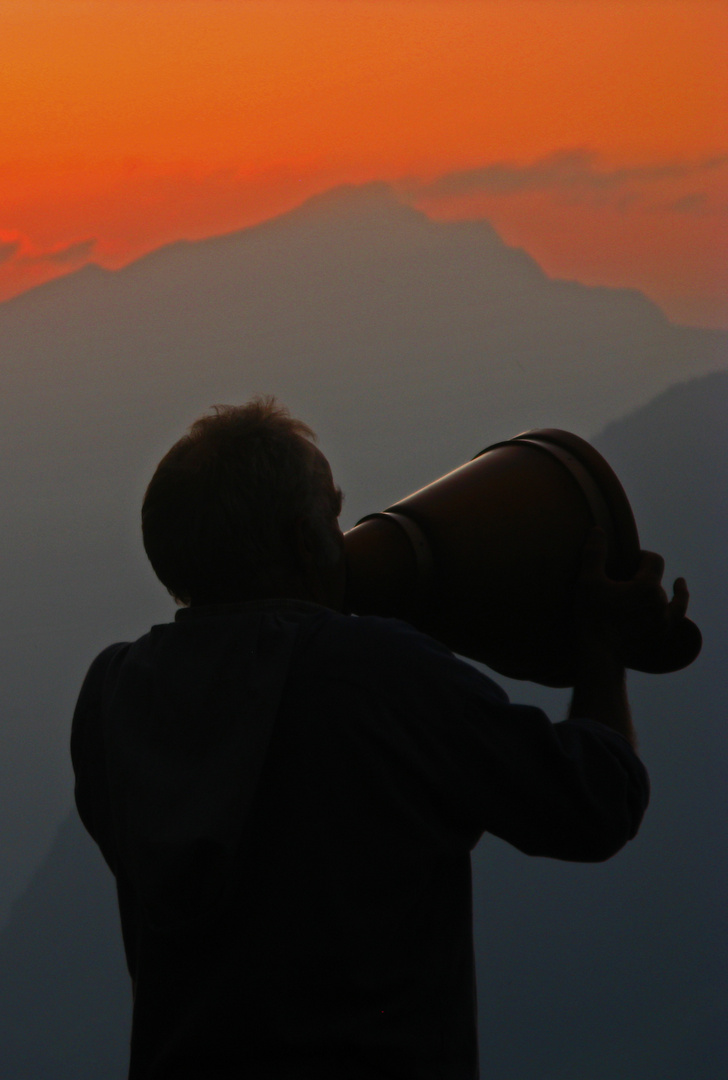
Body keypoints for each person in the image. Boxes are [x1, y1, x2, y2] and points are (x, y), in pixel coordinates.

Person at [70, 398, 688, 1079]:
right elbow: (596, 802)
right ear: (307, 542)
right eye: (332, 518)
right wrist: (599, 647)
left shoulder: (113, 694)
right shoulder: (377, 672)